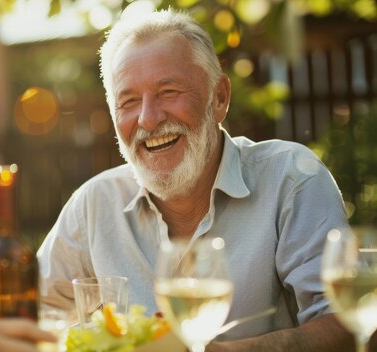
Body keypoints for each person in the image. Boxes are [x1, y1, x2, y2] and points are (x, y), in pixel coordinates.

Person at [38, 8, 359, 351]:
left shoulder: (291, 178)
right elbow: (30, 319)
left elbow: (345, 322)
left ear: (219, 98)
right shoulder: (94, 203)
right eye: (129, 101)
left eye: (168, 92)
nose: (148, 118)